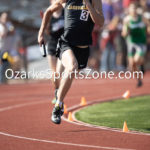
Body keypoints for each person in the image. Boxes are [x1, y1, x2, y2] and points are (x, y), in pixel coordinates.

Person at [38, 0, 104, 124]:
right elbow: (48, 11)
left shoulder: (95, 1)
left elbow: (100, 22)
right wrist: (41, 33)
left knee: (70, 74)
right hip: (66, 43)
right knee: (72, 67)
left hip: (83, 49)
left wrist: (88, 5)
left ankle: (59, 93)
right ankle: (58, 106)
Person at [122, 3, 147, 87]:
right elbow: (124, 33)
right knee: (132, 64)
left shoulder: (142, 18)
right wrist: (126, 31)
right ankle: (139, 80)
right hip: (131, 43)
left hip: (141, 42)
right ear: (129, 10)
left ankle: (142, 64)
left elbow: (148, 27)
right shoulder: (127, 20)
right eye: (131, 8)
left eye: (134, 8)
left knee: (136, 60)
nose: (133, 10)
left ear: (137, 10)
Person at [46, 0, 64, 104]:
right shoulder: (49, 14)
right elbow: (47, 31)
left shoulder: (65, 13)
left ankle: (60, 94)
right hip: (52, 46)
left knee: (58, 72)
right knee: (54, 74)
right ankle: (56, 92)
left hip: (62, 46)